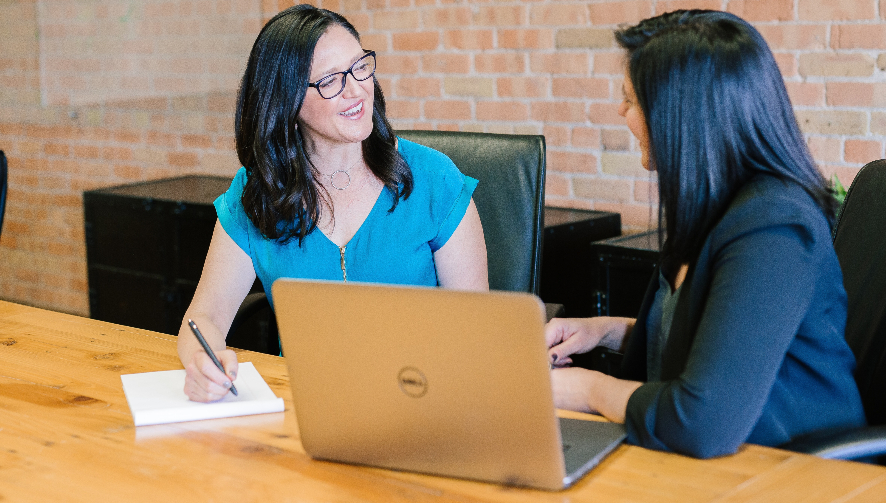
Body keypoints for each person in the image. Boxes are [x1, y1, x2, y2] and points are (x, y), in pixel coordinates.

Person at [545, 10, 866, 458]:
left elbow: (701, 422)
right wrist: (606, 331)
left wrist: (586, 389)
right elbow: (715, 335)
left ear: (680, 118)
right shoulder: (714, 206)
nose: (621, 112)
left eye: (631, 101)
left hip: (792, 466)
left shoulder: (774, 227)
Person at [178, 5, 488, 403]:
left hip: (422, 400)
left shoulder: (434, 180)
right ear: (287, 102)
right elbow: (202, 318)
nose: (357, 89)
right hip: (306, 406)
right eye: (330, 81)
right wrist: (201, 364)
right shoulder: (257, 194)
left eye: (360, 67)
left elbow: (476, 331)